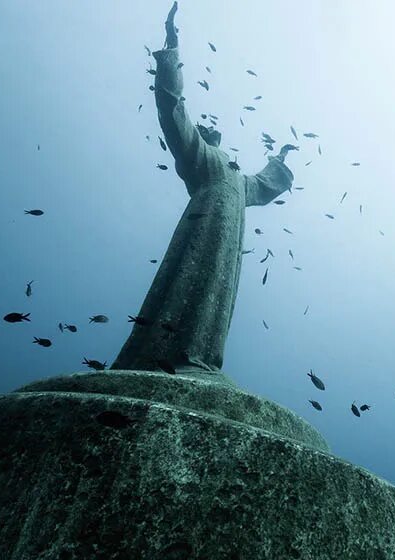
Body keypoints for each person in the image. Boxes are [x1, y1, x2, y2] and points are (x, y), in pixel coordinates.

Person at [112, 1, 298, 376]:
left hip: (231, 238)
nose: (208, 132)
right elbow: (173, 109)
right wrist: (170, 48)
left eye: (212, 132)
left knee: (218, 289)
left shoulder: (238, 179)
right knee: (186, 278)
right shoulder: (199, 157)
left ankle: (201, 355)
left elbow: (263, 185)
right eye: (204, 131)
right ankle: (160, 355)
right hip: (203, 220)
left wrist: (280, 157)